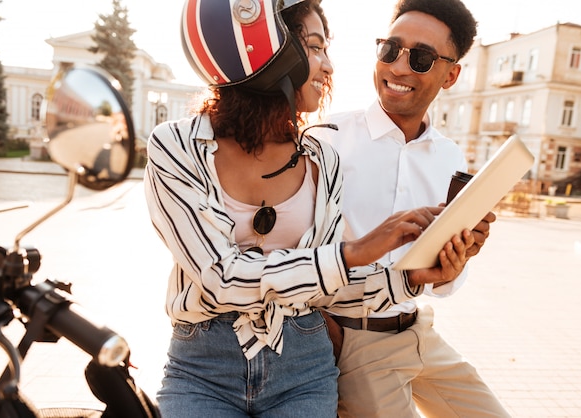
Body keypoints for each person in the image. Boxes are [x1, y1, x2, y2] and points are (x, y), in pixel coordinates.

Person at [144, 0, 475, 417]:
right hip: (202, 369)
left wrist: (410, 278)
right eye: (316, 48)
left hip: (304, 364)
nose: (329, 67)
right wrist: (355, 252)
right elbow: (219, 277)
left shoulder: (321, 158)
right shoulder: (176, 146)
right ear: (268, 53)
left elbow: (329, 287)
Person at [318, 0, 511, 417]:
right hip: (357, 341)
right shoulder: (326, 140)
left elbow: (443, 287)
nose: (399, 68)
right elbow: (298, 258)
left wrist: (458, 258)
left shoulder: (450, 157)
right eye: (390, 49)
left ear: (451, 75)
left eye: (420, 58)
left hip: (420, 330)